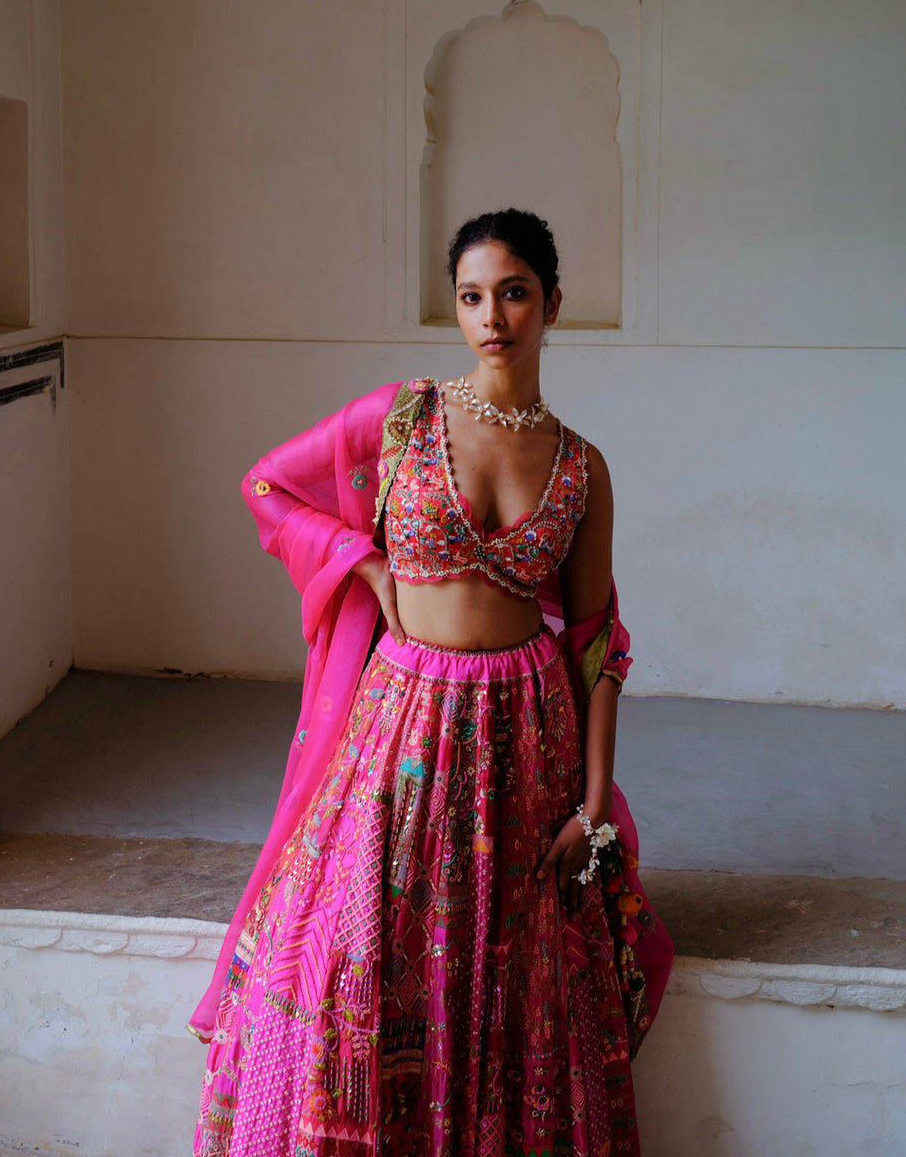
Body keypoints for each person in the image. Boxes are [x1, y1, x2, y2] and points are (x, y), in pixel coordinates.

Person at [190, 208, 672, 1157]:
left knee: (515, 982)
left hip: (525, 739)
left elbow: (594, 645)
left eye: (515, 292)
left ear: (552, 304)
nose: (493, 315)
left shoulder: (581, 467)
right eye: (471, 296)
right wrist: (363, 566)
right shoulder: (403, 417)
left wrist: (592, 807)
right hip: (403, 723)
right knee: (350, 958)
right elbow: (268, 486)